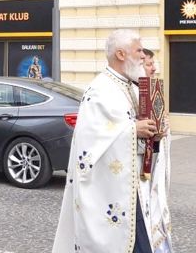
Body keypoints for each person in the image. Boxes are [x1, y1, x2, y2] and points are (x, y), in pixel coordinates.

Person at [52, 29, 161, 253]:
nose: (143, 56)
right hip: (110, 191)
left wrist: (154, 135)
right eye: (138, 50)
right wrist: (133, 130)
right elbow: (89, 143)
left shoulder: (131, 86)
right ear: (121, 54)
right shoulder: (99, 90)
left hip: (133, 188)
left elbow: (137, 135)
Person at [141, 48, 173, 252]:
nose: (154, 68)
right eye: (149, 64)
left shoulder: (152, 90)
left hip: (151, 170)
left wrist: (160, 134)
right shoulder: (127, 92)